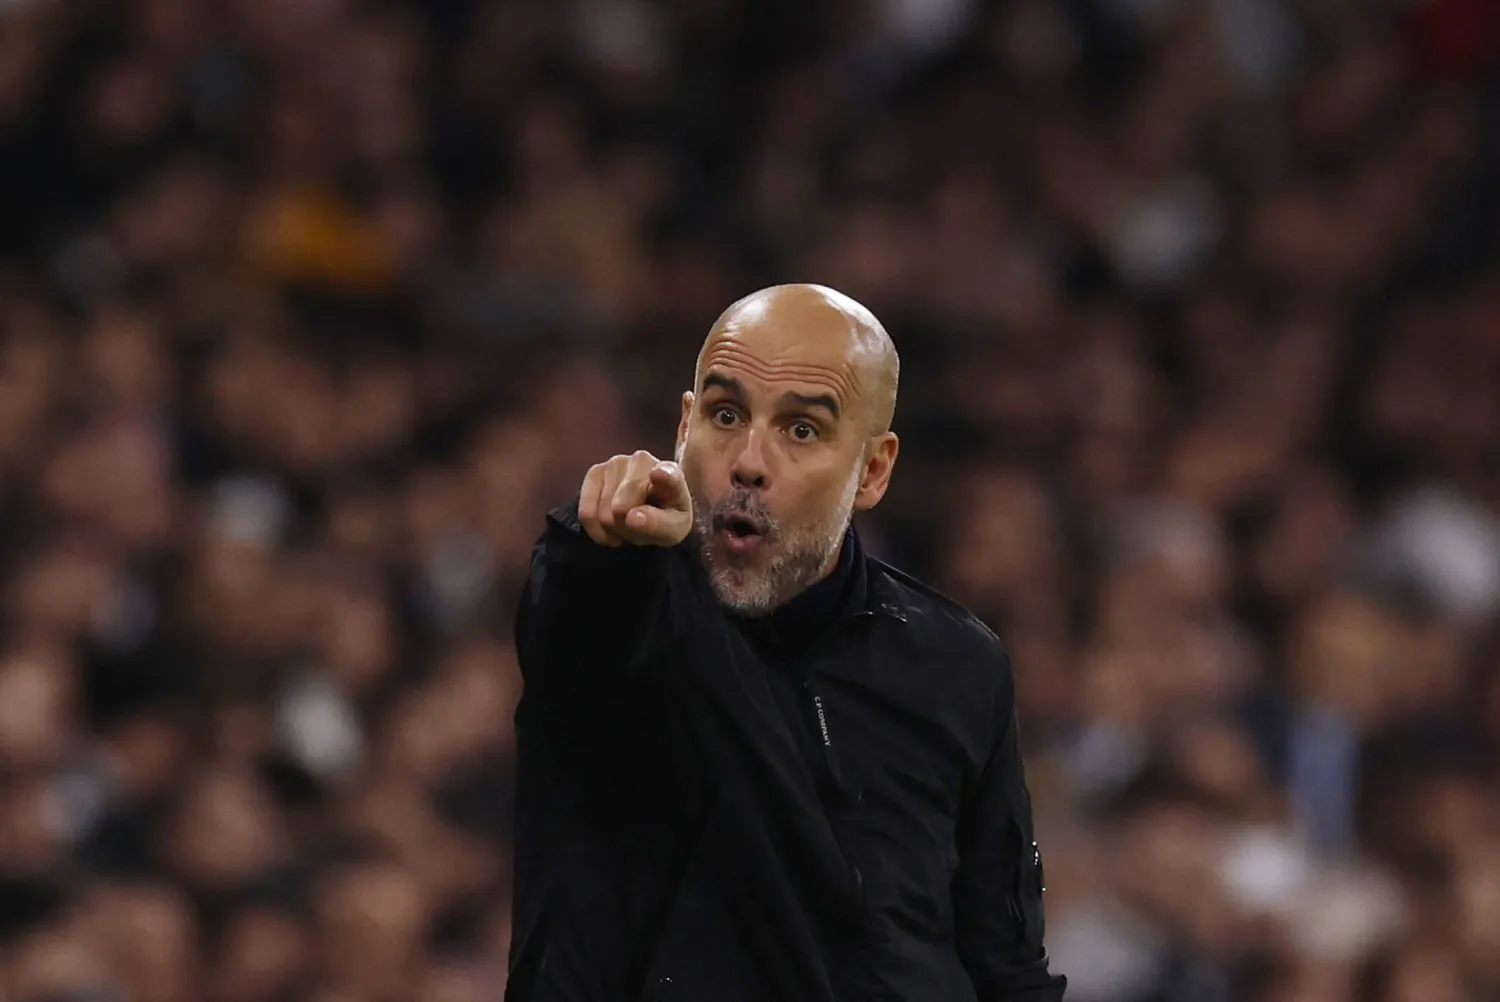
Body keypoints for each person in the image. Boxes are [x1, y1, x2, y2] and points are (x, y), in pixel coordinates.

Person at [509, 284, 1066, 1002]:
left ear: (873, 470)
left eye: (801, 430)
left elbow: (1007, 966)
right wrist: (603, 544)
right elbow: (578, 627)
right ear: (683, 429)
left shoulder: (958, 664)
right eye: (725, 415)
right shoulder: (620, 602)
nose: (747, 462)